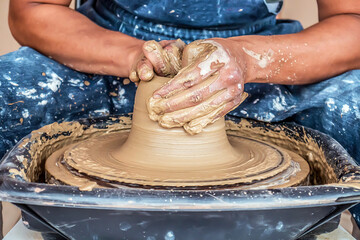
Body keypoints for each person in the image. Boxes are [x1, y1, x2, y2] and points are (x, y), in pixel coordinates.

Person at [1, 0, 360, 227]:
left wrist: (248, 59)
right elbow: (32, 8)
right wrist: (134, 55)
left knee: (353, 110)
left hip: (258, 56)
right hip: (109, 46)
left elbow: (351, 22)